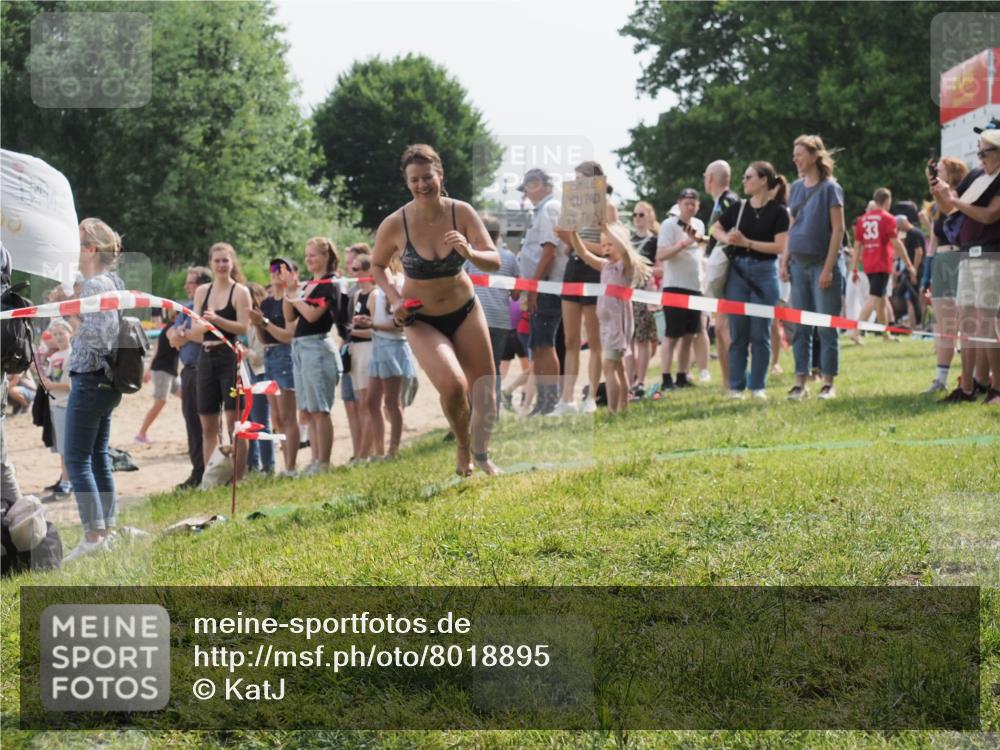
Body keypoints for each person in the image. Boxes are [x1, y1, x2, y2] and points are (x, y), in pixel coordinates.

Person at [371, 144, 501, 476]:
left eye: (427, 177)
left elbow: (494, 260)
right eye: (414, 179)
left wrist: (470, 252)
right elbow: (377, 265)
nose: (421, 185)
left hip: (465, 310)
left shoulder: (462, 212)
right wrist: (394, 299)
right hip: (421, 318)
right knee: (454, 386)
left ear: (440, 176)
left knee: (485, 391)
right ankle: (463, 448)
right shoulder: (395, 223)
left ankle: (482, 455)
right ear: (407, 182)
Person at [62, 218, 126, 563]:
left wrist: (73, 320)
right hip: (106, 382)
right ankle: (107, 531)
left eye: (76, 242)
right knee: (98, 456)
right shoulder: (111, 281)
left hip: (90, 378)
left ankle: (93, 535)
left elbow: (102, 335)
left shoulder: (95, 285)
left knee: (76, 459)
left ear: (89, 249)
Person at [930, 121, 1000, 404]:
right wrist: (940, 193)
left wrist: (954, 201)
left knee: (985, 322)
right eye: (978, 152)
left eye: (984, 152)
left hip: (991, 255)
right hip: (967, 253)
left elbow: (989, 215)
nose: (979, 157)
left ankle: (996, 389)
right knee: (967, 322)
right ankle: (967, 388)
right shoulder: (975, 176)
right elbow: (951, 209)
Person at [710, 162, 790, 399]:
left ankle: (758, 387)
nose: (743, 181)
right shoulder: (739, 207)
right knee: (738, 333)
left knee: (760, 334)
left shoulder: (778, 212)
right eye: (744, 177)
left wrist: (748, 243)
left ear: (764, 180)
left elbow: (780, 246)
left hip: (765, 273)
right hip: (737, 273)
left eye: (749, 177)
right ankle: (737, 387)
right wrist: (729, 239)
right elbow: (714, 228)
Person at [558, 222, 652, 413]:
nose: (606, 248)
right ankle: (623, 408)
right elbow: (584, 253)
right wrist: (574, 233)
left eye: (611, 244)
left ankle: (612, 410)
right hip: (607, 324)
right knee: (618, 368)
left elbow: (625, 250)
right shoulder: (605, 266)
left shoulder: (625, 267)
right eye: (604, 245)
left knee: (608, 367)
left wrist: (607, 230)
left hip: (618, 325)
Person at [781, 135, 846, 401]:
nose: (795, 159)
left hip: (822, 265)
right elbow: (792, 225)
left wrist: (828, 269)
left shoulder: (831, 188)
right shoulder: (796, 188)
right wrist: (785, 259)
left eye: (799, 154)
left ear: (814, 156)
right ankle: (801, 382)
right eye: (794, 154)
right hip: (798, 265)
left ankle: (828, 383)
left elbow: (838, 229)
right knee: (800, 328)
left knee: (826, 327)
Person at [553, 161, 617, 416]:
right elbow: (568, 249)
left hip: (595, 270)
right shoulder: (573, 208)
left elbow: (609, 249)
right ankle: (566, 400)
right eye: (576, 180)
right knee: (570, 340)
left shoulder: (607, 207)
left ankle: (591, 397)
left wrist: (575, 241)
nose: (577, 185)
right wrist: (567, 238)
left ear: (595, 181)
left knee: (594, 340)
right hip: (574, 268)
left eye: (581, 180)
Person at [186, 243, 252, 480]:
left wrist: (216, 321)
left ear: (232, 262)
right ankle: (210, 479)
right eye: (217, 261)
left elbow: (244, 327)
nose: (222, 265)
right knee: (208, 424)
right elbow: (195, 327)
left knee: (235, 424)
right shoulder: (202, 291)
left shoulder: (240, 292)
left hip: (229, 357)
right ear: (211, 264)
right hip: (205, 357)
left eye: (225, 260)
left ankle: (237, 478)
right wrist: (203, 326)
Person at [282, 237, 342, 473]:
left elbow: (312, 315)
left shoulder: (330, 283)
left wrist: (295, 297)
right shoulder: (308, 285)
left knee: (320, 409)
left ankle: (323, 462)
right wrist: (289, 292)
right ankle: (316, 460)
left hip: (317, 347)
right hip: (300, 348)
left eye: (313, 255)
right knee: (308, 410)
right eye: (306, 255)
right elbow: (290, 316)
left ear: (326, 257)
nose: (308, 259)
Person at [515, 168, 566, 417]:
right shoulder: (543, 210)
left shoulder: (549, 209)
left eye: (528, 187)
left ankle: (550, 402)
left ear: (541, 184)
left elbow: (549, 251)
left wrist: (534, 286)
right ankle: (545, 402)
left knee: (544, 344)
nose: (525, 193)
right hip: (542, 287)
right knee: (539, 345)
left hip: (547, 287)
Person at [921, 158, 970, 395]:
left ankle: (973, 377)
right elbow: (933, 242)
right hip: (941, 261)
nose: (935, 173)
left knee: (968, 322)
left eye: (939, 170)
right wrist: (927, 274)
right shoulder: (936, 207)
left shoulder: (962, 199)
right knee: (944, 324)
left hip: (960, 260)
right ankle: (940, 379)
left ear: (951, 174)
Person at [249, 257, 300, 475]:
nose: (275, 272)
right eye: (273, 268)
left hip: (285, 356)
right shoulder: (267, 303)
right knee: (277, 417)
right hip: (269, 356)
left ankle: (291, 466)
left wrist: (264, 323)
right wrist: (257, 324)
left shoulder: (290, 300)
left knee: (287, 416)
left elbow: (288, 336)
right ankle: (287, 465)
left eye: (281, 269)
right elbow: (264, 339)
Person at [465, 214, 520, 415]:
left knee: (472, 367)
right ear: (498, 234)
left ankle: (473, 412)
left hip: (475, 319)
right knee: (494, 368)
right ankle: (492, 414)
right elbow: (516, 294)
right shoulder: (510, 258)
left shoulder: (470, 257)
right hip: (501, 320)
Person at [166, 266, 211, 489]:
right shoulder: (188, 309)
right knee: (192, 423)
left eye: (190, 283)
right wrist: (184, 333)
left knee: (209, 423)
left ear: (202, 285)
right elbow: (172, 337)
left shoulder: (209, 307)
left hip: (206, 368)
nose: (186, 287)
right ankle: (198, 470)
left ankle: (212, 470)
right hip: (189, 370)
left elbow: (204, 336)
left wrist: (183, 333)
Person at [849, 188, 917, 339]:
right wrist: (909, 264)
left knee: (881, 299)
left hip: (868, 264)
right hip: (882, 263)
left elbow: (858, 245)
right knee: (874, 298)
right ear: (887, 201)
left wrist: (854, 269)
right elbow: (896, 243)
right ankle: (856, 331)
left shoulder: (862, 220)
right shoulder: (888, 218)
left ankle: (885, 334)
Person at [366, 257, 416, 458]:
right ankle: (379, 451)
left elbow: (401, 324)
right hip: (378, 345)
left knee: (392, 402)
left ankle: (393, 451)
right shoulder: (380, 287)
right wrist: (369, 322)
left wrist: (373, 325)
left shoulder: (400, 283)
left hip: (393, 347)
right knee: (371, 401)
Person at [656, 188, 706, 391]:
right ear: (679, 204)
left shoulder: (699, 224)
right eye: (687, 203)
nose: (690, 207)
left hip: (695, 286)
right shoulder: (669, 225)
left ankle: (682, 376)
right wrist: (684, 243)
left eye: (694, 203)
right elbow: (662, 254)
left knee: (690, 335)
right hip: (674, 286)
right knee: (671, 335)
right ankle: (666, 378)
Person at [704, 160, 741, 388]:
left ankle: (734, 381)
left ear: (710, 178)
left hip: (729, 272)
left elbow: (734, 235)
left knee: (724, 328)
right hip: (725, 270)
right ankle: (729, 381)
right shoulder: (723, 201)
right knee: (720, 328)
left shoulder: (728, 201)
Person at [338, 243, 370, 460]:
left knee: (363, 403)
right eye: (348, 263)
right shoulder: (350, 290)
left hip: (364, 348)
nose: (349, 268)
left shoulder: (369, 291)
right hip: (348, 348)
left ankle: (366, 451)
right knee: (349, 403)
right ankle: (357, 452)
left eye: (353, 264)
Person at [37, 319, 73, 501]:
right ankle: (65, 480)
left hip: (65, 405)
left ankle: (66, 485)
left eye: (61, 333)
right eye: (55, 334)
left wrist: (51, 385)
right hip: (55, 404)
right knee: (61, 448)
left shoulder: (72, 355)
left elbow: (71, 385)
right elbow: (52, 379)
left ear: (70, 333)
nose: (58, 337)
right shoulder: (56, 356)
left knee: (66, 449)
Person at [628, 201, 661, 396]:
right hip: (626, 291)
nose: (637, 218)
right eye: (635, 215)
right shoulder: (627, 239)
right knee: (628, 339)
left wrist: (643, 270)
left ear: (649, 216)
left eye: (641, 214)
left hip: (644, 292)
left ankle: (640, 381)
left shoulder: (655, 241)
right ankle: (630, 379)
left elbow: (662, 268)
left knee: (643, 339)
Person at [134, 310, 179, 444]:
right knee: (160, 403)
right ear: (176, 316)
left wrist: (149, 370)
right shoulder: (172, 329)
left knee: (187, 395)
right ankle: (141, 434)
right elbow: (177, 345)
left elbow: (156, 350)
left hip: (168, 371)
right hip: (163, 371)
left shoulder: (168, 328)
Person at [347, 256, 376, 458]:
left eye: (357, 269)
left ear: (367, 271)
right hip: (356, 350)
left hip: (368, 348)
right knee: (360, 403)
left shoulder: (374, 295)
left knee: (368, 403)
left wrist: (354, 331)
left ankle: (366, 453)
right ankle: (362, 452)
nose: (353, 273)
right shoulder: (357, 295)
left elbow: (377, 329)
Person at [244, 282, 274, 475]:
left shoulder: (261, 322)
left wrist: (246, 352)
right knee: (250, 421)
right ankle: (253, 464)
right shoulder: (247, 323)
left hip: (260, 372)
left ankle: (268, 466)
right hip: (249, 373)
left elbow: (262, 354)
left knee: (261, 423)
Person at [894, 213, 926, 329]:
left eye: (898, 227)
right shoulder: (910, 233)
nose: (898, 229)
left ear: (902, 223)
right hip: (911, 269)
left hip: (916, 269)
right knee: (907, 296)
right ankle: (909, 321)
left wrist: (914, 271)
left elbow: (919, 252)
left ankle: (917, 323)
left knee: (912, 296)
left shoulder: (913, 233)